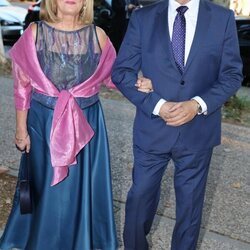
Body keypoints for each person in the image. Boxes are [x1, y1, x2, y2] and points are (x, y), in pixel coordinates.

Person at [111, 0, 243, 249]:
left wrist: (197, 105)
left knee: (190, 206)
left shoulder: (222, 18)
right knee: (140, 197)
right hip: (152, 127)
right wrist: (157, 104)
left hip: (198, 130)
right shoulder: (144, 18)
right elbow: (122, 72)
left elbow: (232, 75)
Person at [0, 0, 120, 249]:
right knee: (46, 187)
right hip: (42, 124)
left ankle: (81, 240)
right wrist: (21, 129)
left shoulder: (99, 36)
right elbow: (22, 86)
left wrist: (143, 81)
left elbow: (114, 77)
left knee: (79, 187)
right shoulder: (35, 33)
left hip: (87, 125)